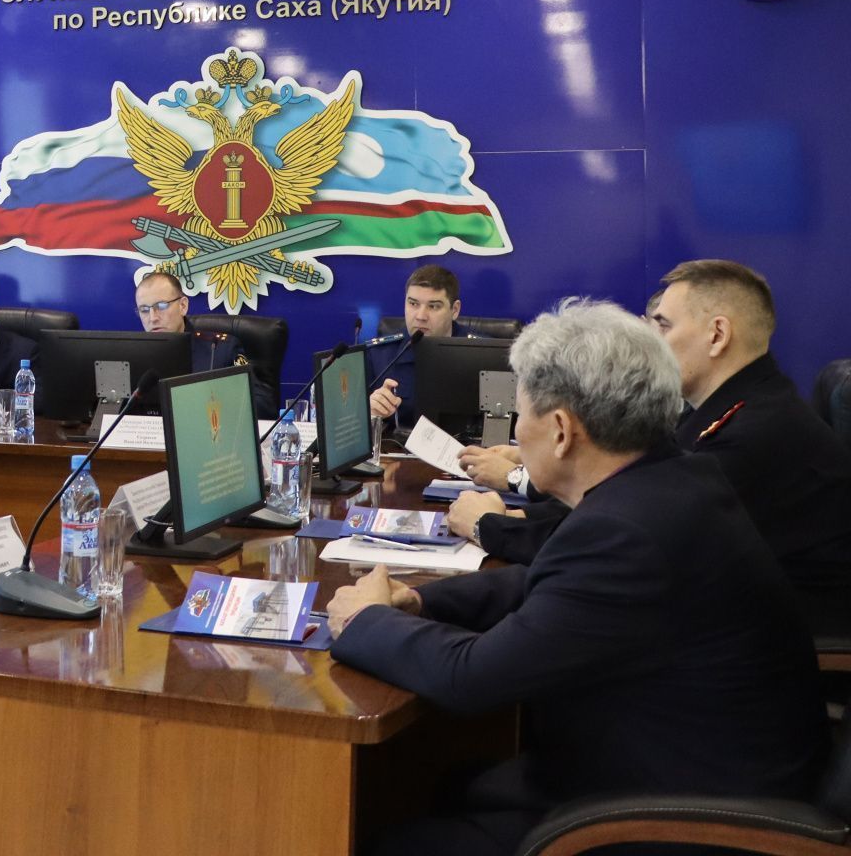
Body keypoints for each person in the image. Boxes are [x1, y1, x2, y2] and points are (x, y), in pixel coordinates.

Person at [327, 299, 827, 856]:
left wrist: (365, 619)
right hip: (694, 768)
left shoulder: (624, 531)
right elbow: (541, 582)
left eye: (522, 416)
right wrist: (421, 602)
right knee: (440, 784)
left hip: (686, 820)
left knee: (386, 837)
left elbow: (471, 678)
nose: (517, 434)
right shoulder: (671, 480)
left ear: (562, 430)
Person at [450, 260, 851, 630]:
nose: (649, 343)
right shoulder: (727, 410)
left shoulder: (750, 435)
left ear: (717, 335)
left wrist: (490, 528)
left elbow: (621, 544)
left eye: (663, 326)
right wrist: (520, 518)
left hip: (785, 634)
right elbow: (622, 500)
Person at [133, 270, 273, 418]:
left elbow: (263, 406)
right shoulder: (135, 355)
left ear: (183, 306)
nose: (152, 318)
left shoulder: (220, 349)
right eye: (144, 310)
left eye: (161, 306)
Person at [367, 263, 471, 428]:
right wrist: (371, 413)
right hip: (398, 444)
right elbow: (352, 425)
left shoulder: (483, 352)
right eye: (413, 304)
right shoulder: (379, 355)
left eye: (433, 306)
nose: (421, 316)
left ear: (455, 310)